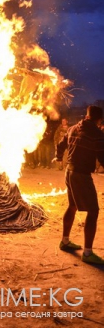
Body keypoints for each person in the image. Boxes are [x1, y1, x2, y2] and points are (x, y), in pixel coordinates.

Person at [55, 105, 104, 264]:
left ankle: (65, 241)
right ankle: (88, 253)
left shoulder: (72, 128)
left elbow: (61, 145)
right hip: (81, 175)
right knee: (94, 211)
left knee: (72, 205)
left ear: (87, 115)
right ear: (99, 119)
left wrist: (59, 157)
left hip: (69, 172)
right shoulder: (97, 134)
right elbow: (102, 157)